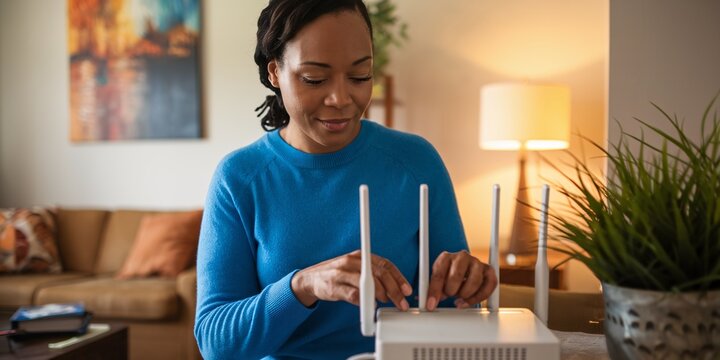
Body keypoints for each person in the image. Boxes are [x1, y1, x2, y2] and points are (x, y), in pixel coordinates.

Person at [193, 0, 498, 359]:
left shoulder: (416, 162)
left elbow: (452, 306)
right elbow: (215, 343)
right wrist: (302, 286)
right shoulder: (240, 178)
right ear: (275, 72)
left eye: (359, 76)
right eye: (314, 79)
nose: (341, 98)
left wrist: (468, 281)